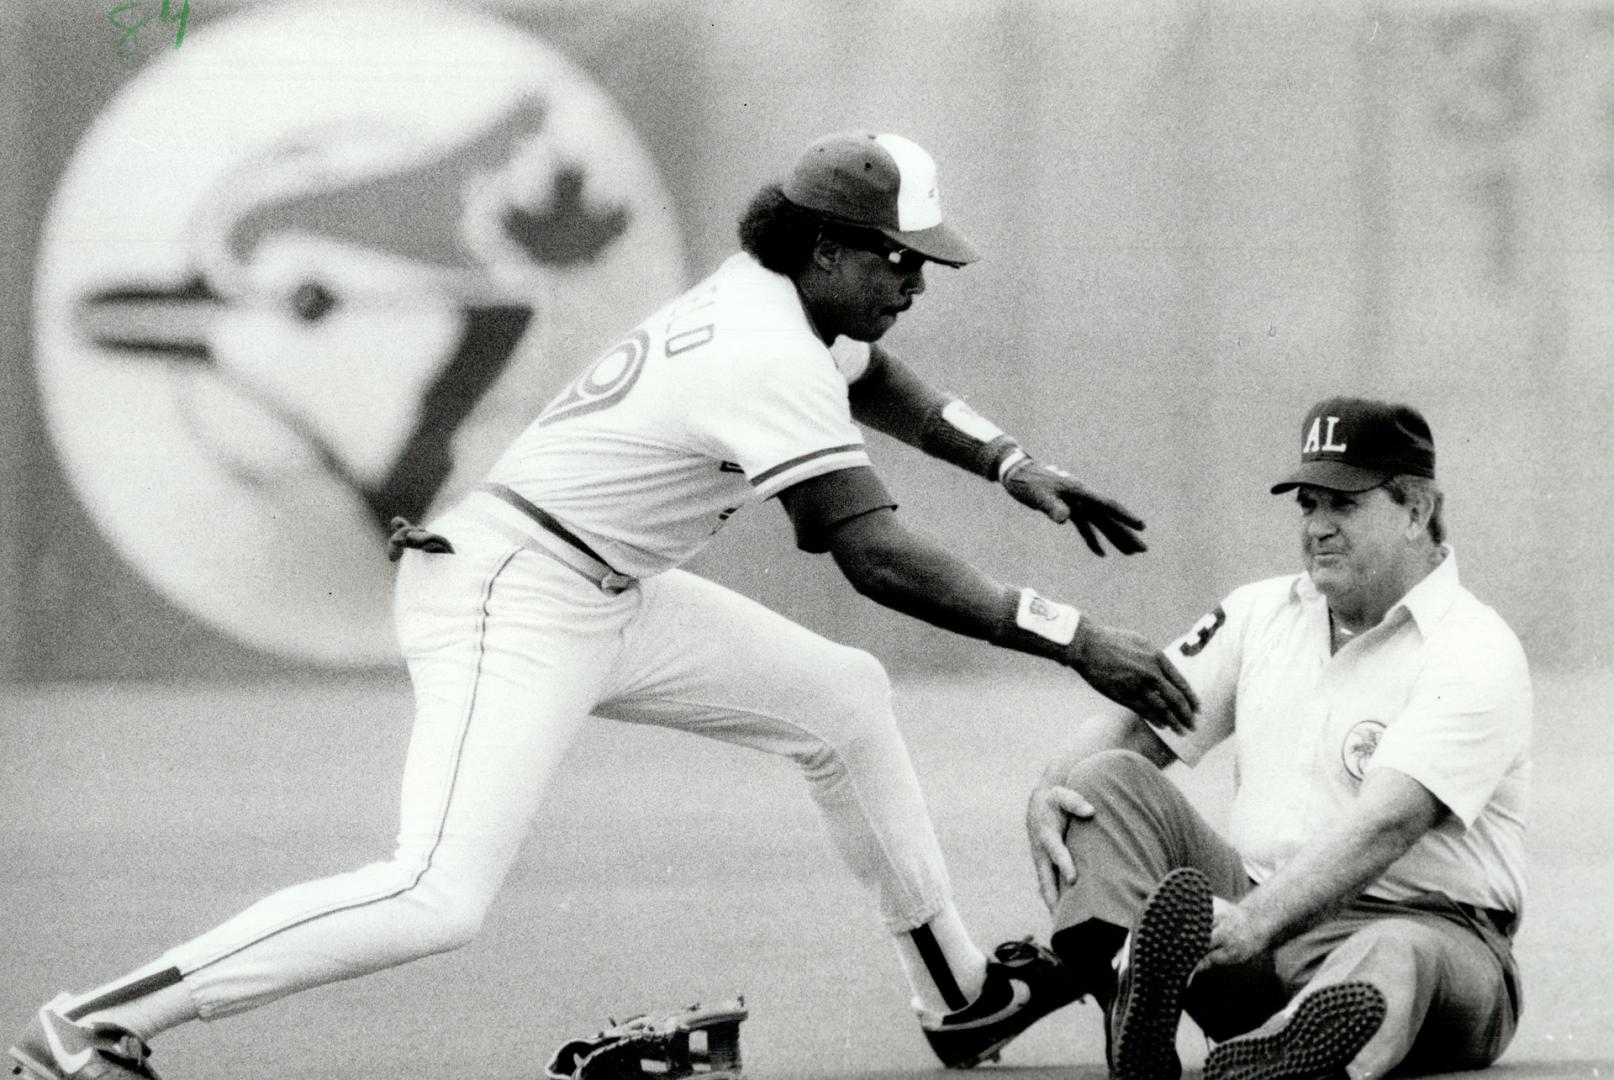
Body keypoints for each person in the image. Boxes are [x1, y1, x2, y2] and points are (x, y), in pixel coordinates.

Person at [10, 130, 1199, 1080]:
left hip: (601, 585)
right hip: (509, 594)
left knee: (843, 698)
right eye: (900, 258)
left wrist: (1003, 460)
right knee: (435, 893)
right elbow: (874, 557)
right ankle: (88, 1024)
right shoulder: (757, 351)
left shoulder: (790, 302)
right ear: (832, 247)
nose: (915, 281)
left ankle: (959, 1000)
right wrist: (1076, 637)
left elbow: (875, 373)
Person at [1023, 396, 1531, 1080]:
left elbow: (1389, 823)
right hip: (1256, 928)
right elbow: (1138, 723)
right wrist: (1047, 792)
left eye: (1343, 506)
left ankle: (1291, 1047)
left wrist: (1252, 923)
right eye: (1307, 505)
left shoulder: (1473, 647)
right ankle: (1138, 1007)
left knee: (1395, 954)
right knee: (1096, 783)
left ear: (1415, 510)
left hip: (1436, 935)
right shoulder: (1261, 612)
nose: (1317, 528)